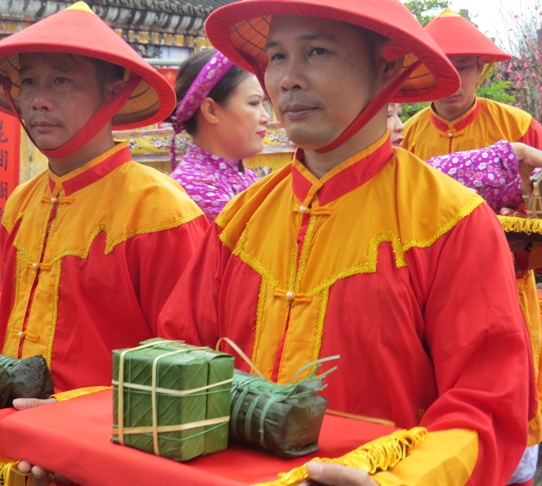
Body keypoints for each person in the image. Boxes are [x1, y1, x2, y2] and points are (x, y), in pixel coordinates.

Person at [158, 0, 536, 484]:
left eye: (316, 51)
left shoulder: (453, 222)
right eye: (277, 57)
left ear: (387, 66)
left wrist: (396, 480)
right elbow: (175, 363)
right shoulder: (240, 220)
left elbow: (485, 407)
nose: (288, 79)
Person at [0, 3, 207, 394]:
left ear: (113, 93)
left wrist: (71, 414)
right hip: (10, 430)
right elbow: (4, 324)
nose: (39, 100)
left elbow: (188, 361)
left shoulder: (159, 211)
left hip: (98, 445)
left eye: (61, 81)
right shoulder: (22, 205)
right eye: (28, 82)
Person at [401, 10, 542, 485]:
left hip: (511, 279)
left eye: (465, 66)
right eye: (443, 64)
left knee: (510, 388)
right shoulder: (409, 132)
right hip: (431, 292)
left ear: (481, 70)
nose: (454, 78)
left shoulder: (518, 125)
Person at [402, 8, 542, 157]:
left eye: (462, 68)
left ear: (480, 67)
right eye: (439, 69)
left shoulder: (519, 127)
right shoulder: (404, 137)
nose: (453, 81)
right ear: (423, 72)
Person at [169, 49, 270, 223]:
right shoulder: (196, 189)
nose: (265, 117)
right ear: (211, 110)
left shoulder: (246, 176)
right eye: (253, 103)